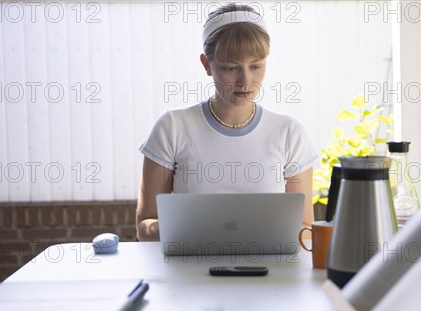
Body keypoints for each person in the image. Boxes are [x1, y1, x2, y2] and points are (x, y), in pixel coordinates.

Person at [136, 3, 317, 241]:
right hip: (190, 272)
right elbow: (145, 226)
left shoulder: (289, 133)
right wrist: (194, 231)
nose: (245, 81)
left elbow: (306, 229)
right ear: (206, 65)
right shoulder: (173, 128)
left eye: (256, 66)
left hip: (268, 273)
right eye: (231, 68)